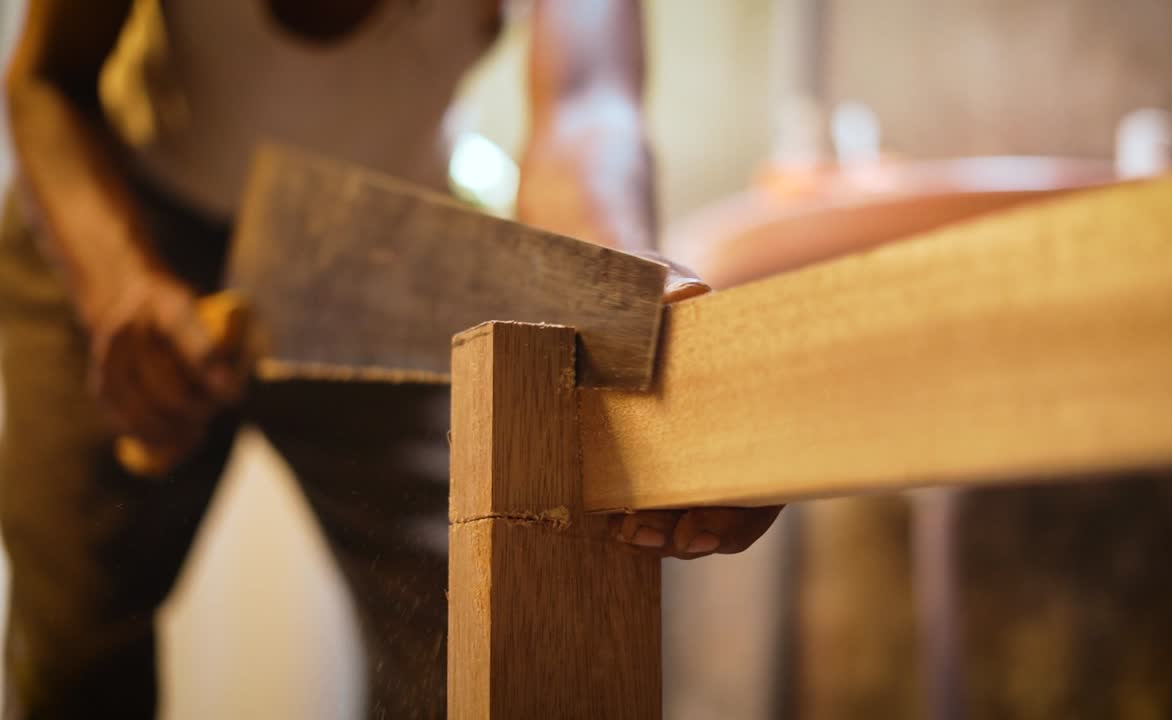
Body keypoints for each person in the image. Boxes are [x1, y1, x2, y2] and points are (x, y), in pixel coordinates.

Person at [0, 0, 781, 716]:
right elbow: (45, 80)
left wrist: (636, 311)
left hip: (378, 262)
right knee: (76, 647)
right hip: (121, 224)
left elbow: (586, 106)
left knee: (478, 624)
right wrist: (119, 291)